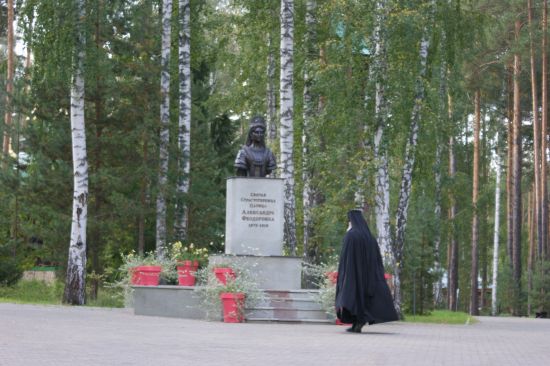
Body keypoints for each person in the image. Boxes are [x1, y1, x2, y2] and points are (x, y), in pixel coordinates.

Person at [335, 209, 398, 333]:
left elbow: (345, 257)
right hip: (369, 275)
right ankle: (358, 322)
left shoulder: (351, 235)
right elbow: (377, 259)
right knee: (365, 298)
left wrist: (344, 274)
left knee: (352, 297)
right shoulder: (370, 237)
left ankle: (356, 322)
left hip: (353, 274)